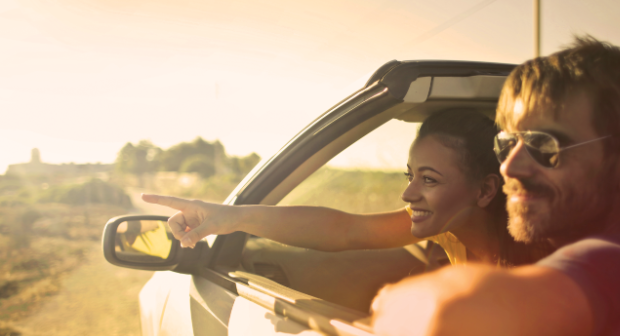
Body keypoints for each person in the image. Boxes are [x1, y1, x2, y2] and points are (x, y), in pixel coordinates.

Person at [370, 36, 620, 336]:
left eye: (544, 145)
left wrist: (386, 305)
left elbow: (448, 331)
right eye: (507, 143)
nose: (510, 167)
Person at [142, 108, 537, 270]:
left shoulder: (536, 254)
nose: (408, 194)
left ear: (486, 191)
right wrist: (230, 218)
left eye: (429, 180)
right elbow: (344, 230)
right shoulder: (449, 230)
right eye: (409, 175)